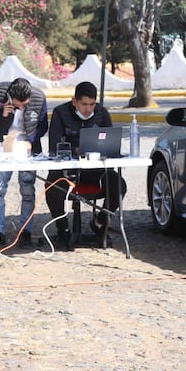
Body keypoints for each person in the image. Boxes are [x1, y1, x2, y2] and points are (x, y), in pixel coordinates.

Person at [44, 81, 126, 250]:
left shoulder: (101, 113)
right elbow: (54, 146)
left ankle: (99, 221)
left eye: (92, 104)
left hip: (95, 170)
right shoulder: (60, 113)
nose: (88, 109)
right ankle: (63, 229)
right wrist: (75, 149)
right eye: (84, 104)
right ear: (75, 101)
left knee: (119, 184)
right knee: (51, 186)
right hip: (68, 169)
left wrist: (102, 150)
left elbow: (110, 141)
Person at [0, 77, 48, 249]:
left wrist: (31, 142)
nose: (21, 108)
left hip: (26, 149)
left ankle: (25, 232)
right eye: (18, 104)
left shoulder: (39, 97)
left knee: (27, 190)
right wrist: (3, 114)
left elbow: (42, 125)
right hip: (0, 147)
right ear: (10, 96)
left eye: (24, 105)